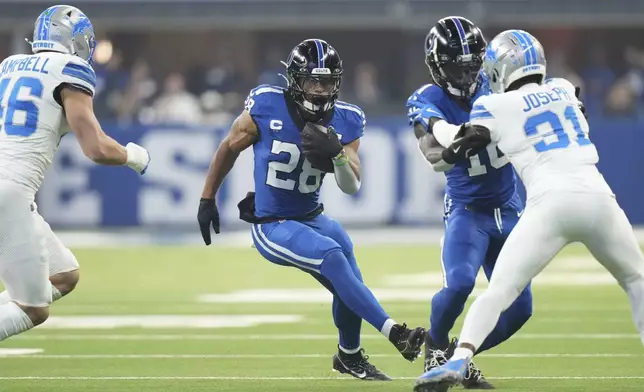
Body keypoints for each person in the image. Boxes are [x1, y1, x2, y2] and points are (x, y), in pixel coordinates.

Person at [414, 29, 644, 392]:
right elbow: (576, 111)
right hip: (599, 196)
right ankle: (449, 353)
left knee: (499, 293)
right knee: (636, 280)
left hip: (548, 203)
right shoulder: (565, 87)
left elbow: (459, 142)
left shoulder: (493, 104)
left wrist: (437, 125)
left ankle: (459, 357)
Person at [198, 39, 426, 381]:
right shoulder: (266, 105)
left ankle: (349, 356)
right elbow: (229, 147)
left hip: (313, 217)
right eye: (311, 80)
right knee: (333, 257)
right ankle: (396, 333)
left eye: (326, 81)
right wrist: (207, 198)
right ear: (294, 80)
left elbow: (351, 186)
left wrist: (337, 155)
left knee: (348, 274)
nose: (319, 89)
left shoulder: (347, 119)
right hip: (272, 222)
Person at [0, 5, 150, 342]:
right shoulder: (71, 68)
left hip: (8, 186)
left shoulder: (8, 66)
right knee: (32, 309)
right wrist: (134, 156)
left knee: (64, 275)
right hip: (10, 191)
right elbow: (95, 147)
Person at [406, 17, 534, 389]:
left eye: (472, 65)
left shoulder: (499, 85)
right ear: (436, 66)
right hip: (467, 210)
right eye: (455, 68)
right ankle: (435, 343)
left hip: (510, 207)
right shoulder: (428, 99)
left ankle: (457, 359)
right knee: (460, 282)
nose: (466, 75)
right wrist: (462, 142)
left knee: (521, 308)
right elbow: (434, 157)